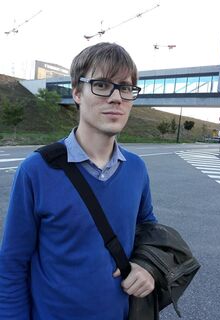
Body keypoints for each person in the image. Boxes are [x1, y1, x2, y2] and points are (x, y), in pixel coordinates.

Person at [0, 42, 157, 320]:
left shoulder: (136, 169)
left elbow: (149, 231)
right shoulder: (37, 170)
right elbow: (12, 265)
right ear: (76, 93)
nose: (116, 97)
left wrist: (148, 266)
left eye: (125, 87)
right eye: (101, 85)